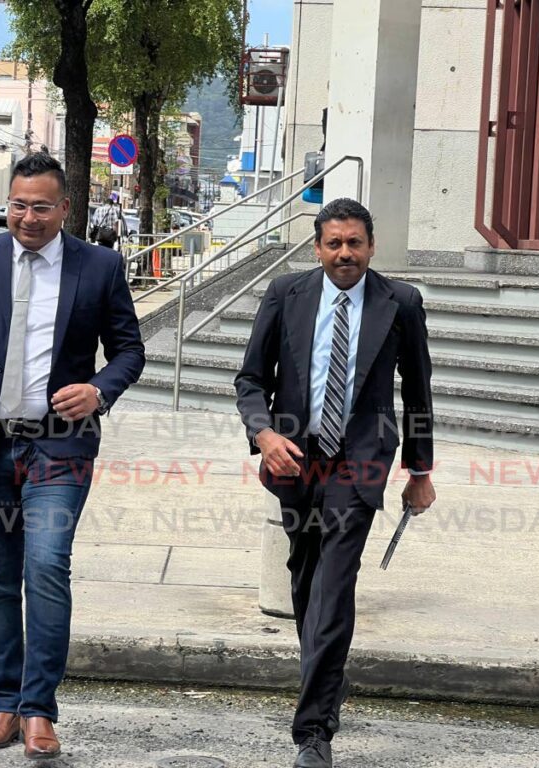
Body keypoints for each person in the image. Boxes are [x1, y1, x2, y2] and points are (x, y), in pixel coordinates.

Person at [0, 153, 145, 760]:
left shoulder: (99, 267)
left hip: (60, 447)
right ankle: (4, 704)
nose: (28, 217)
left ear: (64, 208)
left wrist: (100, 389)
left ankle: (39, 709)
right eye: (18, 205)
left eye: (41, 206)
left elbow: (130, 350)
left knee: (45, 566)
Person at [234, 198, 436, 768]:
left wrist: (419, 472)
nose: (345, 253)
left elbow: (418, 393)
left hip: (361, 462)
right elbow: (251, 379)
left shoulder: (401, 303)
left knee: (333, 585)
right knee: (303, 576)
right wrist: (264, 435)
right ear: (318, 247)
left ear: (372, 247)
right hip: (294, 459)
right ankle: (328, 682)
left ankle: (314, 731)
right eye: (334, 243)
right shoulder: (286, 295)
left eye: (355, 243)